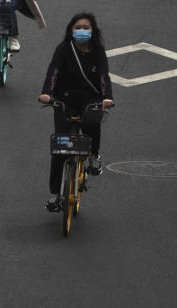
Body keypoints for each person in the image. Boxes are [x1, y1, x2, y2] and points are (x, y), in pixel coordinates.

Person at [38, 14, 115, 211]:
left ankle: (94, 156)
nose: (81, 30)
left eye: (85, 27)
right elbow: (53, 71)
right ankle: (55, 194)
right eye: (77, 27)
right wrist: (47, 93)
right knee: (60, 148)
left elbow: (103, 75)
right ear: (71, 31)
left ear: (93, 31)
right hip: (65, 100)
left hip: (91, 99)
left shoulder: (97, 51)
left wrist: (106, 98)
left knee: (90, 122)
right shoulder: (63, 49)